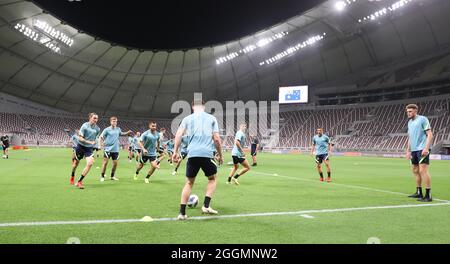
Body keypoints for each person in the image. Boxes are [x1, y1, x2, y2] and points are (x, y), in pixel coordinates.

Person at [172, 100, 223, 220]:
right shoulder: (211, 118)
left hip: (192, 154)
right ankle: (206, 206)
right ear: (204, 107)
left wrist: (175, 152)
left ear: (193, 107)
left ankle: (182, 213)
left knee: (189, 183)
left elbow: (178, 134)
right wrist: (220, 155)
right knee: (212, 178)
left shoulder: (187, 119)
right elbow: (216, 139)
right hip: (206, 154)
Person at [405, 104, 433, 202]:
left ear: (416, 111)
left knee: (423, 171)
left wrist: (426, 148)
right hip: (414, 150)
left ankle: (428, 195)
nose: (408, 113)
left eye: (410, 111)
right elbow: (410, 137)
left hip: (422, 148)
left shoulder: (423, 119)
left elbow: (429, 134)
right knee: (415, 170)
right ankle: (418, 192)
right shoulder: (409, 122)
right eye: (407, 111)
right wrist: (408, 150)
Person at [70, 113, 101, 189]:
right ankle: (72, 175)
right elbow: (80, 138)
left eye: (97, 118)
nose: (96, 120)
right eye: (94, 118)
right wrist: (90, 142)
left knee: (90, 163)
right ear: (90, 118)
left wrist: (99, 145)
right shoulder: (85, 126)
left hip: (89, 149)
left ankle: (79, 181)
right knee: (75, 165)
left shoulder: (97, 129)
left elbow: (96, 138)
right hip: (80, 147)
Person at [99, 117, 132, 182]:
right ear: (110, 122)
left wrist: (127, 132)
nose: (115, 122)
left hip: (115, 149)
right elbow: (101, 137)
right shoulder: (107, 130)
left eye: (116, 121)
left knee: (115, 164)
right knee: (105, 163)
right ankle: (102, 176)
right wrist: (101, 144)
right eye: (113, 121)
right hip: (108, 149)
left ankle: (112, 176)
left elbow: (121, 133)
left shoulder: (118, 129)